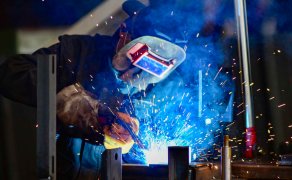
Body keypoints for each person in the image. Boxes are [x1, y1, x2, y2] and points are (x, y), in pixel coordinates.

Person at [0, 1, 186, 179]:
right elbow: (10, 73)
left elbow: (151, 148)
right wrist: (70, 101)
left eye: (151, 68)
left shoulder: (163, 88)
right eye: (136, 61)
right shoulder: (76, 53)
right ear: (124, 34)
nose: (136, 73)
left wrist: (128, 137)